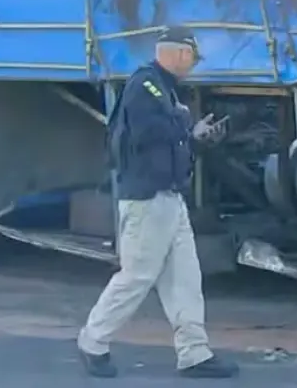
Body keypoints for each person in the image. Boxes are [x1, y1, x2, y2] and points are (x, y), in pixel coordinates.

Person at [77, 25, 238, 379]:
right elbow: (148, 132)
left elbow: (166, 141)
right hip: (147, 199)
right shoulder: (146, 84)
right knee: (137, 276)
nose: (193, 65)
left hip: (169, 197)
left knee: (185, 278)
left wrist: (195, 140)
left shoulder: (164, 89)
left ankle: (194, 353)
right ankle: (93, 341)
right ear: (180, 52)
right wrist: (186, 126)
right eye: (192, 57)